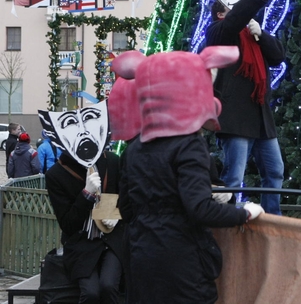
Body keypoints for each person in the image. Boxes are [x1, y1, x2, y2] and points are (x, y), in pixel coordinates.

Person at [113, 46, 265, 304]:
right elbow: (200, 209)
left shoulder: (135, 148)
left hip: (142, 259)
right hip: (182, 262)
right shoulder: (188, 144)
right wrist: (245, 213)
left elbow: (125, 208)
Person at [205, 0, 288, 215]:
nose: (240, 10)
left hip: (261, 117)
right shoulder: (219, 32)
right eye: (233, 6)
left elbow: (277, 57)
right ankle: (228, 220)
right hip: (234, 119)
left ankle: (273, 221)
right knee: (234, 178)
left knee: (275, 172)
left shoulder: (251, 35)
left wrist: (261, 35)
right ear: (222, 13)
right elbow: (237, 16)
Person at [40, 102, 125, 304]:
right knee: (91, 292)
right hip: (81, 245)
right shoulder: (57, 175)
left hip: (112, 240)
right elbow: (68, 224)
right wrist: (86, 194)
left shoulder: (112, 161)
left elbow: (127, 198)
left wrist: (118, 214)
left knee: (109, 285)